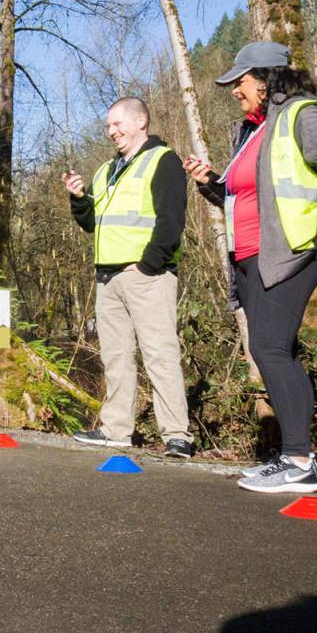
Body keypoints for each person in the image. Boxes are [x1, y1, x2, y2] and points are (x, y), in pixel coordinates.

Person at [184, 41, 317, 493]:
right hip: (254, 256)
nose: (235, 91)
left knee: (272, 348)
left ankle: (299, 461)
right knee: (268, 350)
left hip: (294, 251)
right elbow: (244, 198)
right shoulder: (251, 131)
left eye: (239, 81)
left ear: (265, 77)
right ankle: (292, 456)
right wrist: (211, 185)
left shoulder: (303, 113)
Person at [63, 97, 194, 458]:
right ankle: (116, 430)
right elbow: (92, 224)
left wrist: (148, 264)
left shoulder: (163, 160)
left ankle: (177, 435)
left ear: (140, 121)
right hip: (107, 278)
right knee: (116, 357)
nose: (111, 131)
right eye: (108, 126)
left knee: (159, 354)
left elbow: (171, 221)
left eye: (117, 124)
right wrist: (78, 199)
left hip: (147, 275)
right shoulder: (106, 170)